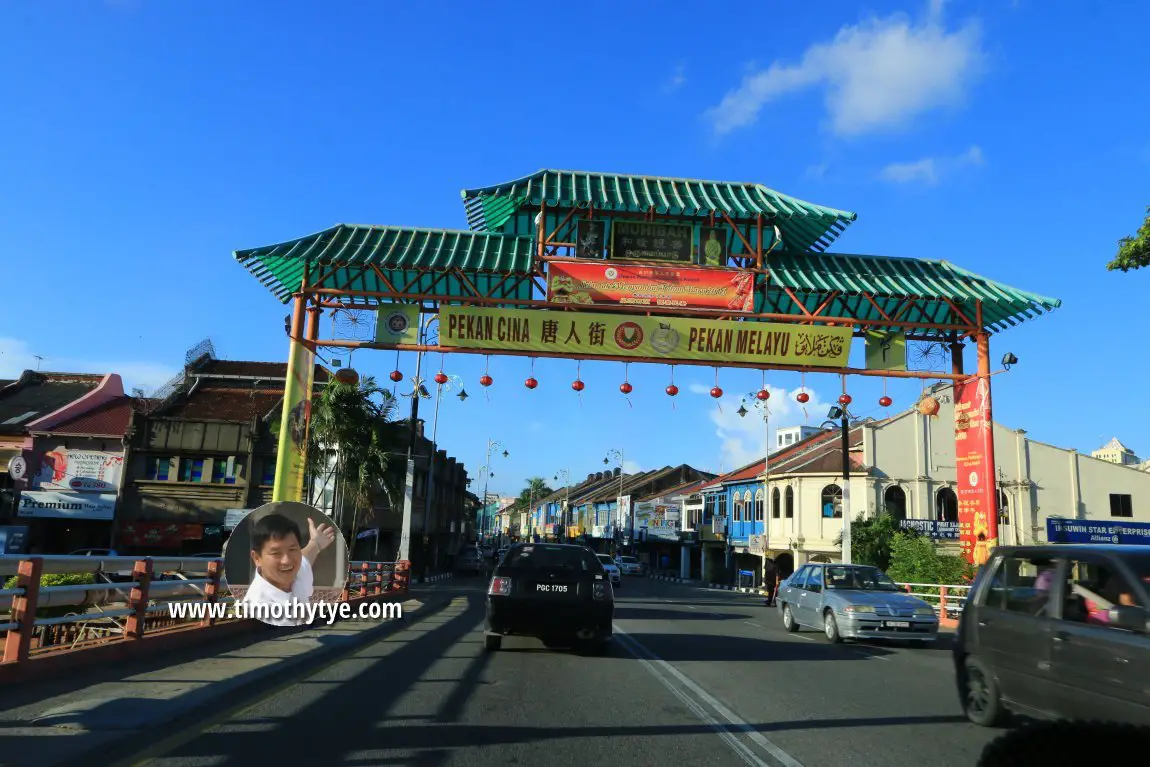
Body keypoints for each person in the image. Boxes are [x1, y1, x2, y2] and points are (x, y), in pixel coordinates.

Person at [241, 513, 335, 627]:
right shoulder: (260, 608)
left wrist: (316, 543)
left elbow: (306, 557)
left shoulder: (296, 574)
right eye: (276, 553)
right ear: (257, 558)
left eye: (292, 549)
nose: (287, 561)